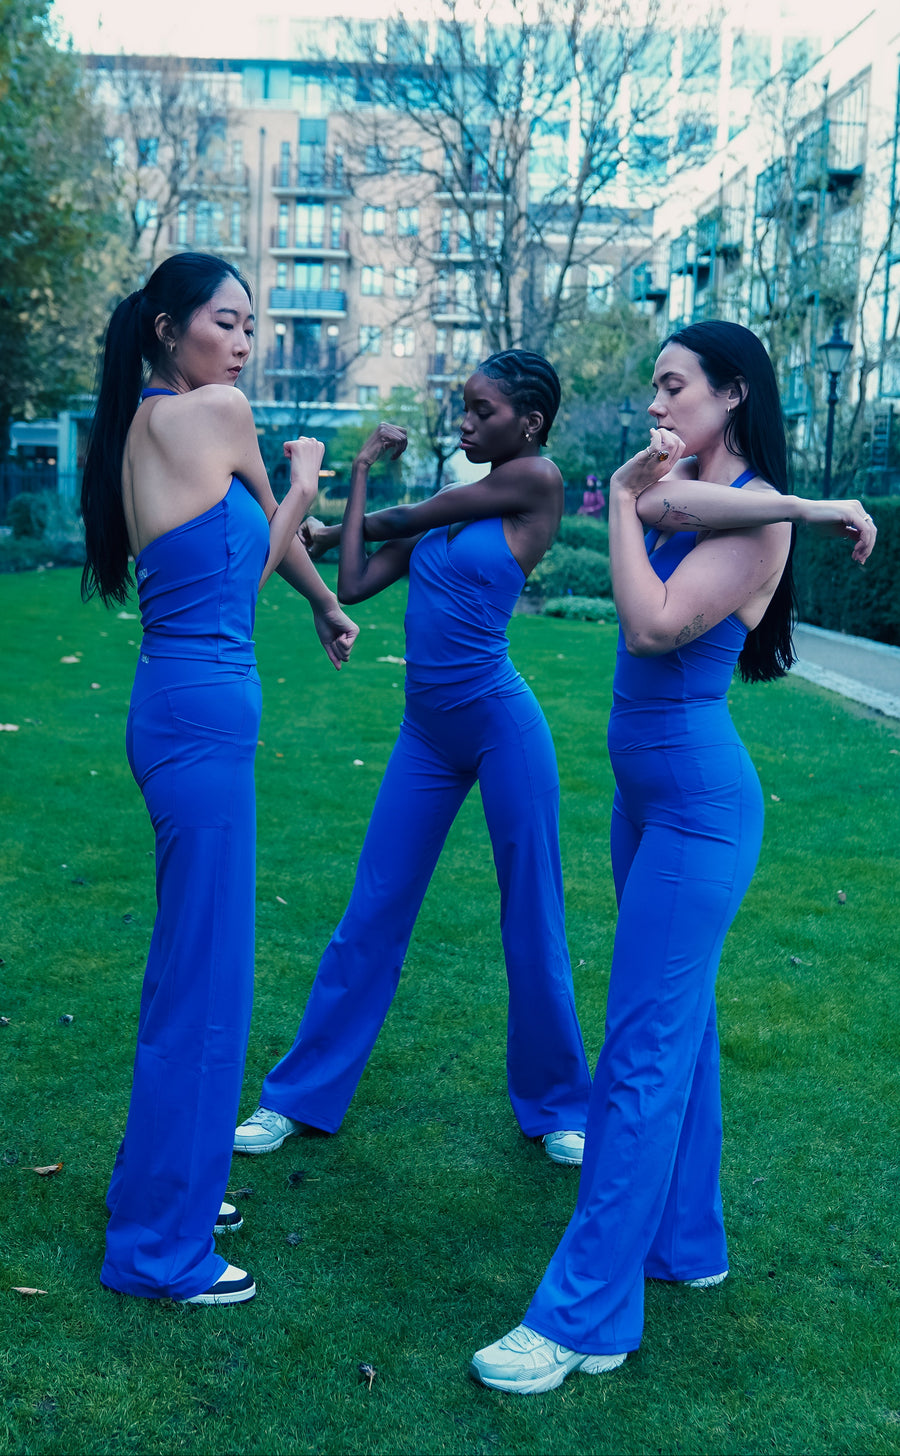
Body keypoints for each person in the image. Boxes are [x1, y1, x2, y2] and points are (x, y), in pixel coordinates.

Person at [470, 320, 877, 1393]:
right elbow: (663, 507)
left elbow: (650, 625)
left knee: (641, 1053)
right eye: (653, 387)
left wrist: (774, 507)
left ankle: (586, 1319)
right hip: (647, 799)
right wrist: (796, 502)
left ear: (733, 392)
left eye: (672, 385)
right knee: (676, 1030)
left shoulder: (751, 522)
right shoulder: (695, 490)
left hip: (697, 808)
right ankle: (687, 1243)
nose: (654, 405)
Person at [234, 350, 593, 1167]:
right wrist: (359, 473)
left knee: (532, 917)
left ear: (529, 423)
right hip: (426, 735)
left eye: (482, 411)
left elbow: (403, 518)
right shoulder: (450, 516)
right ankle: (295, 1099)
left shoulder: (536, 480)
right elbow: (355, 581)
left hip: (501, 726)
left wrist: (347, 516)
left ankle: (560, 1108)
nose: (463, 422)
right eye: (463, 407)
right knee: (371, 912)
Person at [80, 251, 357, 1306]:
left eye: (251, 325)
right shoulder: (218, 413)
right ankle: (159, 1249)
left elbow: (250, 541)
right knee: (203, 985)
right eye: (226, 321)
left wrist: (323, 601)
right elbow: (253, 559)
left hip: (178, 709)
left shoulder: (149, 422)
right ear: (168, 328)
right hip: (198, 718)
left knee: (187, 972)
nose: (244, 342)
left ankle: (163, 1182)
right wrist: (305, 483)